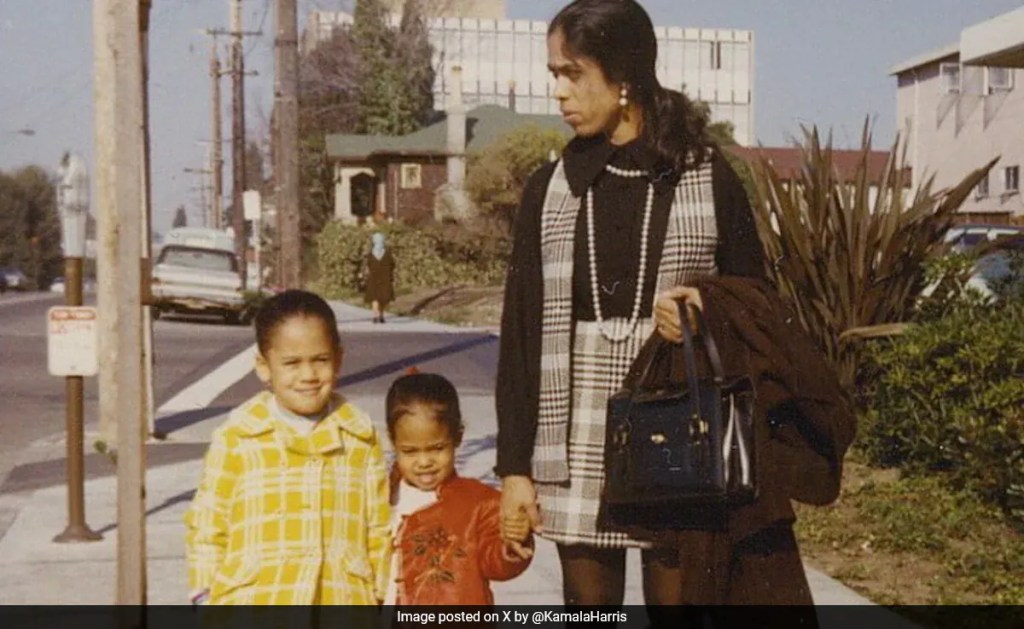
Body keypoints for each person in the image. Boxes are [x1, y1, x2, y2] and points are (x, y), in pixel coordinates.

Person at [495, 0, 816, 612]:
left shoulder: (707, 175)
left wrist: (704, 309)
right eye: (554, 73)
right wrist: (514, 470)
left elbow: (759, 304)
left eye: (573, 73)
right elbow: (519, 335)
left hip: (680, 424)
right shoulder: (549, 187)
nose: (558, 91)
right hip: (572, 433)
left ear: (623, 77)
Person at [184, 289, 390, 605]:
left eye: (320, 360)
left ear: (338, 359)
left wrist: (383, 596)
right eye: (292, 363)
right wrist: (204, 596)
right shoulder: (238, 436)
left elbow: (378, 529)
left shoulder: (360, 437)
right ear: (264, 366)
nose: (308, 375)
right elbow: (208, 525)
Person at [384, 372, 532, 606]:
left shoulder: (478, 503)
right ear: (393, 442)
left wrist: (515, 539)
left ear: (457, 437)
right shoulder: (379, 496)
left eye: (437, 448)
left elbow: (497, 562)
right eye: (410, 451)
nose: (424, 462)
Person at [364, 232, 395, 324]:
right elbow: (392, 265)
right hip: (385, 278)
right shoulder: (388, 253)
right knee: (383, 298)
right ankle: (381, 315)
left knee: (375, 297)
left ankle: (375, 316)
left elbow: (368, 265)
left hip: (373, 278)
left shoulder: (370, 254)